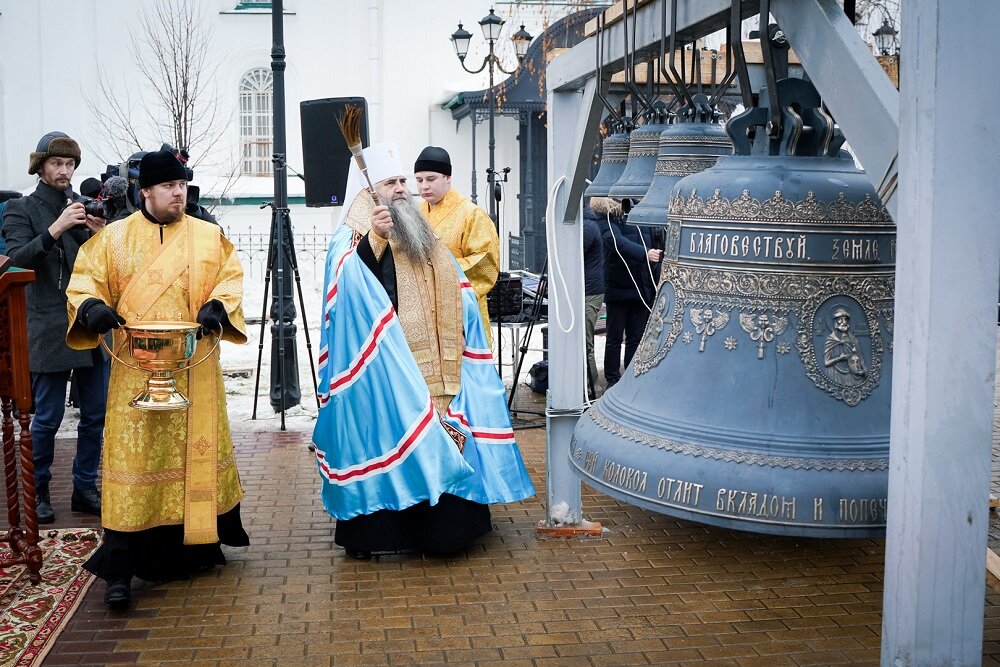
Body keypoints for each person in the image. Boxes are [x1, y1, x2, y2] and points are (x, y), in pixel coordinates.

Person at [313, 143, 534, 559]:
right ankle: (384, 534)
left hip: (439, 365)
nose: (402, 190)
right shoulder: (353, 233)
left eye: (403, 182)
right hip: (383, 371)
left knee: (444, 438)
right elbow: (342, 291)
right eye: (392, 182)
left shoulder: (418, 226)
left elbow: (457, 282)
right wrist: (374, 243)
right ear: (368, 190)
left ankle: (446, 532)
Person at [64, 149, 249, 609]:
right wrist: (91, 308)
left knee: (193, 455)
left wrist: (219, 307)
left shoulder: (209, 236)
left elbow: (231, 279)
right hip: (135, 371)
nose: (178, 194)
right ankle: (121, 566)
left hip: (194, 369)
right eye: (169, 187)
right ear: (145, 191)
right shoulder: (113, 240)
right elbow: (83, 281)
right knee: (137, 463)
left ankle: (196, 549)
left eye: (182, 186)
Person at [1, 131, 108, 524]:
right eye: (57, 164)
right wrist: (56, 229)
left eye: (70, 165)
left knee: (95, 414)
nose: (65, 171)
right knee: (45, 417)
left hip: (89, 322)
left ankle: (84, 487)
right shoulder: (21, 209)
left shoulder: (82, 207)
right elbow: (16, 261)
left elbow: (104, 266)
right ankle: (39, 488)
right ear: (41, 168)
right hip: (46, 325)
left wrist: (101, 235)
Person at [413, 146, 499, 343]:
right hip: (425, 309)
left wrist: (438, 270)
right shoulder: (416, 214)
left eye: (431, 179)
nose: (424, 186)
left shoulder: (471, 214)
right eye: (419, 180)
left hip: (462, 310)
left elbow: (486, 263)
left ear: (448, 178)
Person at [595, 196, 661, 388]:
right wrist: (645, 254)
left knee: (636, 337)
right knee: (614, 337)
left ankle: (630, 379)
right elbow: (616, 242)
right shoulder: (606, 215)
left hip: (641, 287)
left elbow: (655, 242)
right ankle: (613, 379)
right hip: (619, 288)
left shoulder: (641, 213)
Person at [582, 203, 606, 399]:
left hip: (590, 291)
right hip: (588, 289)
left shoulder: (587, 227)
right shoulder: (588, 224)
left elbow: (573, 255)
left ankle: (593, 387)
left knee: (585, 341)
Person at [823, 306, 867, 385]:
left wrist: (862, 369)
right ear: (835, 323)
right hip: (835, 374)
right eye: (840, 319)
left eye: (845, 319)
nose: (844, 322)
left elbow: (859, 358)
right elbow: (826, 362)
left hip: (851, 374)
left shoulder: (852, 339)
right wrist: (840, 358)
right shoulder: (831, 340)